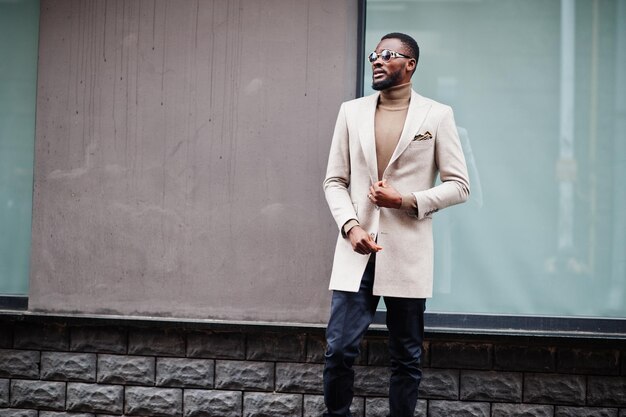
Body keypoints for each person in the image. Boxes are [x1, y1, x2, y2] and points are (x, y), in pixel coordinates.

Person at [322, 32, 470, 417]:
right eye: (374, 54)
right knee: (338, 351)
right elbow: (334, 180)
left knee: (406, 358)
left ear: (410, 64)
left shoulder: (437, 116)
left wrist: (405, 200)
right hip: (357, 251)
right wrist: (350, 226)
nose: (376, 59)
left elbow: (459, 186)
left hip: (407, 253)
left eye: (387, 54)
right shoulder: (350, 112)